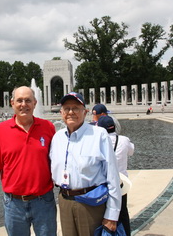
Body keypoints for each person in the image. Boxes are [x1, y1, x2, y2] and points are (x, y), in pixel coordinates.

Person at [0, 86, 57, 236]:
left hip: (44, 201)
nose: (24, 104)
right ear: (12, 103)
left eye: (28, 100)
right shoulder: (0, 131)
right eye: (20, 100)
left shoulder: (47, 127)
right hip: (14, 204)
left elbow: (58, 162)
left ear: (35, 103)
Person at [50, 92, 121, 236]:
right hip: (65, 201)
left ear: (85, 112)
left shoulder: (99, 135)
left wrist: (112, 215)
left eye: (76, 108)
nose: (71, 112)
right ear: (61, 112)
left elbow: (112, 176)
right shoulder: (57, 138)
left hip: (91, 201)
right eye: (67, 108)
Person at [97, 115, 134, 236]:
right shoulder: (124, 140)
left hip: (104, 183)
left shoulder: (99, 141)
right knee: (123, 212)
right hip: (121, 182)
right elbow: (131, 151)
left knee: (104, 213)